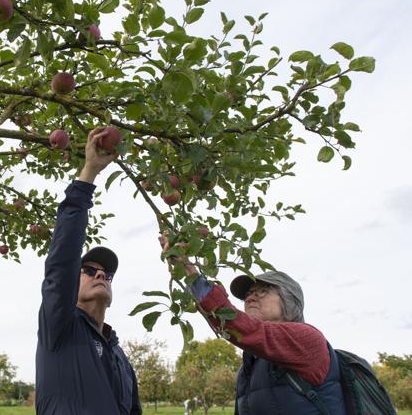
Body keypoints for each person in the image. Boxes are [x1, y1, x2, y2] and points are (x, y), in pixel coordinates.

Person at [160, 232, 346, 414]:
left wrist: (189, 270)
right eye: (248, 294)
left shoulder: (307, 339)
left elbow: (241, 326)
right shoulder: (250, 366)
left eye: (262, 291)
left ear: (289, 301)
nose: (250, 298)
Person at [36, 128, 142, 415]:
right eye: (89, 270)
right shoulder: (60, 328)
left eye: (106, 274)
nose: (100, 275)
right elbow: (62, 260)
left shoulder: (119, 355)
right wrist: (89, 173)